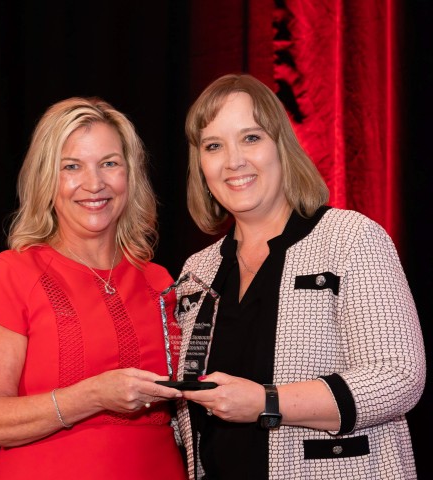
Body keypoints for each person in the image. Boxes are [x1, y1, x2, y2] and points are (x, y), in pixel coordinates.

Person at [173, 73, 426, 480]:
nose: (233, 160)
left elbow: (397, 378)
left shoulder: (350, 238)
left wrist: (266, 401)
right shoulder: (195, 273)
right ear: (201, 164)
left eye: (251, 138)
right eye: (214, 146)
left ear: (282, 148)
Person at [0, 97, 188, 479]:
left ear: (130, 175)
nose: (94, 183)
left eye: (109, 163)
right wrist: (93, 396)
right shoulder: (10, 273)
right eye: (72, 166)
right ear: (46, 179)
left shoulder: (162, 281)